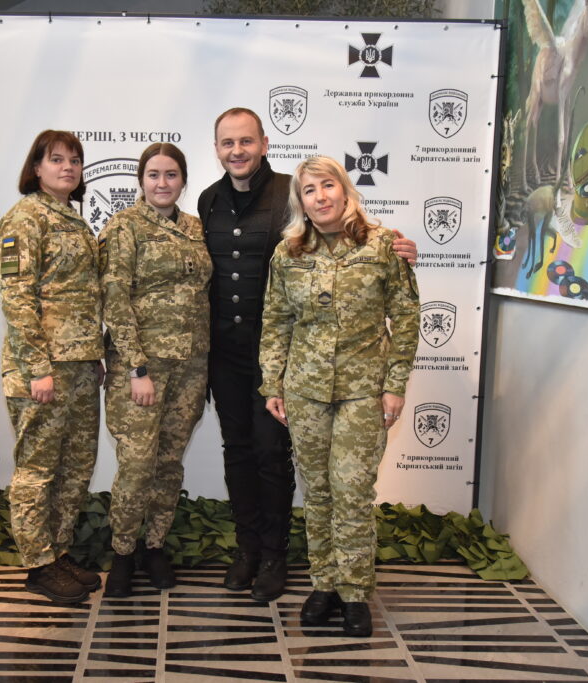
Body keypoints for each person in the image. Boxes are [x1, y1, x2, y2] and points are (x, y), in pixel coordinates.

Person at [197, 108, 418, 601]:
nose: (237, 150)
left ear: (264, 143)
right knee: (238, 452)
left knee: (273, 456)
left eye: (246, 141)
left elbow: (363, 267)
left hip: (292, 361)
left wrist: (398, 248)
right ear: (216, 149)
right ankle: (248, 550)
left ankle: (275, 556)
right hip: (228, 353)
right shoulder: (208, 200)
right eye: (227, 143)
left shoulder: (289, 191)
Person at [259, 155, 420, 637]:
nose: (320, 196)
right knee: (318, 492)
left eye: (327, 185)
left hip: (362, 392)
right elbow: (276, 321)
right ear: (301, 202)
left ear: (344, 190)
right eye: (309, 190)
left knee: (351, 492)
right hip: (305, 390)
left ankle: (354, 592)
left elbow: (405, 316)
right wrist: (272, 384)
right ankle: (323, 585)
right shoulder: (288, 253)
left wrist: (395, 385)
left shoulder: (383, 245)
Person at [99, 142, 213, 597]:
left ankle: (155, 546)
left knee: (168, 463)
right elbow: (115, 299)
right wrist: (136, 367)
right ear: (141, 180)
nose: (162, 183)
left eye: (171, 174)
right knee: (137, 465)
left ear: (182, 180)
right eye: (153, 175)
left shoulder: (197, 228)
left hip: (191, 367)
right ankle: (123, 552)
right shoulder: (124, 226)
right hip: (143, 369)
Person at [0, 130, 104, 605]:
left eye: (75, 160)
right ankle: (38, 564)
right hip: (42, 369)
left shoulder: (73, 219)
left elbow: (81, 297)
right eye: (56, 159)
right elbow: (17, 298)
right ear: (36, 168)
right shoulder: (24, 217)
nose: (68, 167)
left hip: (79, 366)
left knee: (75, 467)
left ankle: (58, 554)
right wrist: (38, 367)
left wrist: (93, 357)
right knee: (37, 470)